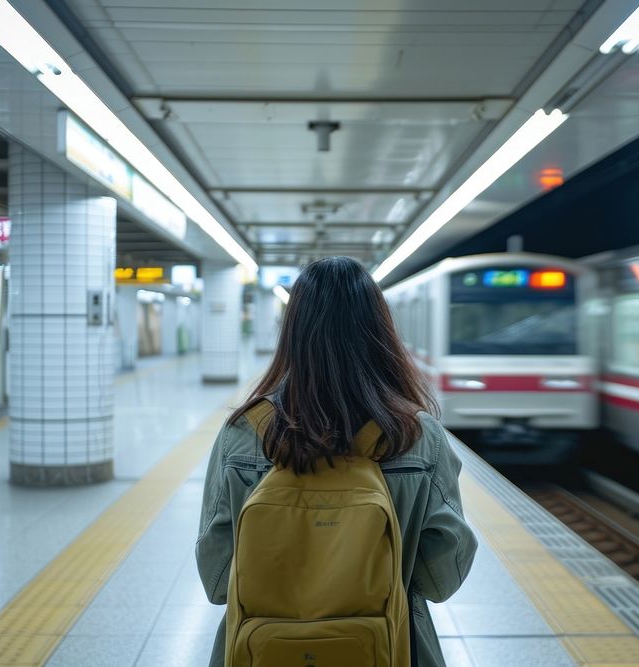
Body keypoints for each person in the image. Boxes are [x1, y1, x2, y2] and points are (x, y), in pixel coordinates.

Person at [196, 256, 478, 667]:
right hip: (392, 647)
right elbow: (440, 579)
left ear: (292, 332)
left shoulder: (242, 433)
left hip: (263, 651)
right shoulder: (417, 435)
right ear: (379, 330)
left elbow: (218, 579)